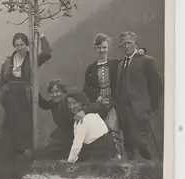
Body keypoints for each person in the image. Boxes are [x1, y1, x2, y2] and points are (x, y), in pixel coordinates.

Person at [0, 29, 52, 154]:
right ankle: (8, 152)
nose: (19, 48)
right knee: (8, 123)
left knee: (23, 124)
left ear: (26, 45)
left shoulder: (32, 59)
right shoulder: (8, 61)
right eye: (17, 45)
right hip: (8, 96)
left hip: (24, 96)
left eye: (22, 45)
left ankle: (23, 152)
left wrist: (41, 36)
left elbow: (47, 53)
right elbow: (1, 80)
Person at [115, 31, 163, 161]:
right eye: (123, 44)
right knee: (128, 141)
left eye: (129, 43)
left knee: (140, 141)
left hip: (139, 109)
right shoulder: (121, 64)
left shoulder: (146, 60)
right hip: (123, 109)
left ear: (136, 44)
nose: (126, 46)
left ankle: (153, 164)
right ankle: (131, 171)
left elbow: (156, 86)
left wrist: (152, 106)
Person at [66, 92, 116, 163]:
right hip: (106, 147)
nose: (71, 106)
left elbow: (77, 145)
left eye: (74, 103)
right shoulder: (91, 113)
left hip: (100, 150)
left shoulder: (83, 119)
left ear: (81, 103)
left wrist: (70, 162)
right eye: (69, 104)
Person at [31, 80, 74, 161]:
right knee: (39, 153)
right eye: (51, 92)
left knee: (42, 153)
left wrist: (52, 138)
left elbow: (68, 125)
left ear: (63, 91)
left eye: (57, 91)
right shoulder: (54, 103)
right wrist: (35, 90)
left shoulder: (71, 103)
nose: (54, 95)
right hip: (62, 137)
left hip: (73, 137)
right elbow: (43, 104)